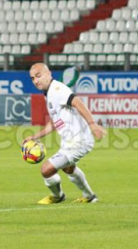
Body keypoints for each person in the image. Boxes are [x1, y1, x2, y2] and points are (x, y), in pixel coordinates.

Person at [24, 63, 106, 205]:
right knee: (68, 168)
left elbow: (77, 102)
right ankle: (90, 196)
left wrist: (92, 124)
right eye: (32, 78)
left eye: (38, 76)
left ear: (48, 74)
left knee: (46, 170)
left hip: (78, 141)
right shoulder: (48, 94)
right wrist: (34, 137)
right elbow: (53, 123)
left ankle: (58, 196)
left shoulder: (57, 89)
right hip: (69, 142)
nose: (36, 81)